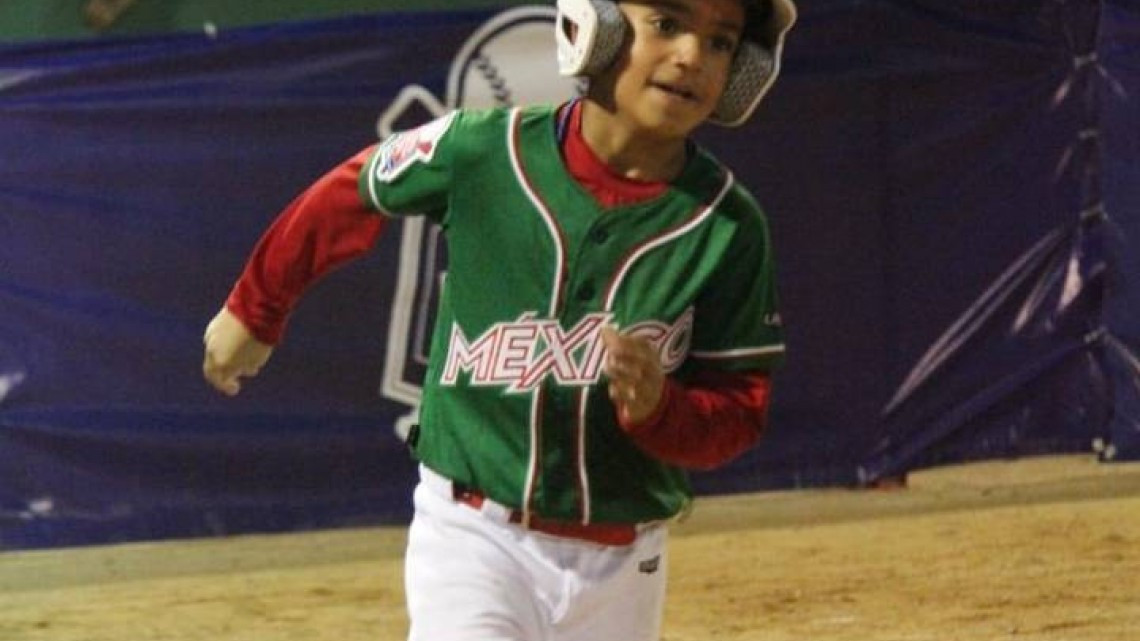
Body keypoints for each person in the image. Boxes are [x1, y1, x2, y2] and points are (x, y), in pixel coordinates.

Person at [202, 0, 796, 638]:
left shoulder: (730, 226)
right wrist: (254, 311)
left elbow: (738, 414)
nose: (692, 57)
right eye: (668, 24)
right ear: (595, 26)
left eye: (721, 42)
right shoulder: (485, 150)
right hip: (475, 536)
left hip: (628, 559)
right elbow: (351, 193)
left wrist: (662, 410)